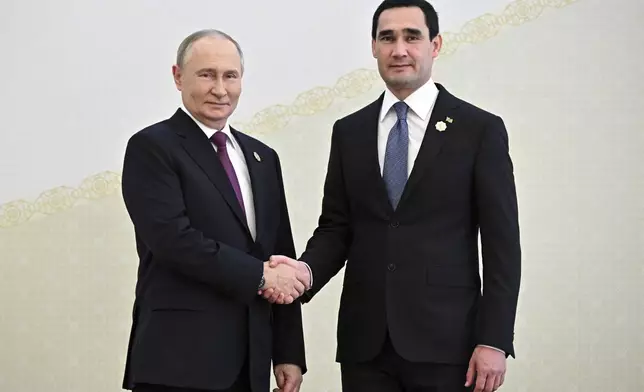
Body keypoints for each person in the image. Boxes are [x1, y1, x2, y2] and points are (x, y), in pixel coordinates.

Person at [264, 1, 521, 391]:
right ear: (373, 47)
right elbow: (336, 228)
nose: (399, 49)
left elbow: (503, 247)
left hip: (449, 346)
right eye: (387, 38)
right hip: (365, 346)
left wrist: (495, 339)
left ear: (435, 45)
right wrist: (305, 273)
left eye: (411, 37)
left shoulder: (478, 130)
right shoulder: (349, 132)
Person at [120, 29, 307, 392]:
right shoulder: (152, 147)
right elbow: (174, 241)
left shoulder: (262, 157)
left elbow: (280, 254)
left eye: (230, 76)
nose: (220, 89)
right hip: (178, 362)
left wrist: (288, 352)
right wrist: (260, 276)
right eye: (207, 74)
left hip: (251, 363)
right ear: (178, 76)